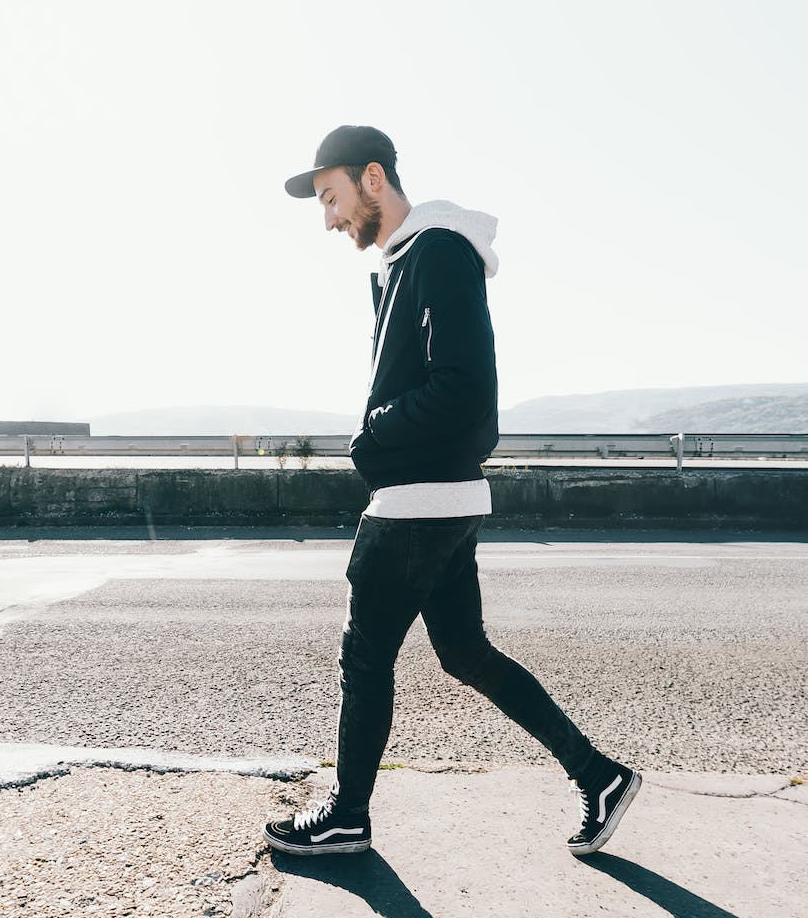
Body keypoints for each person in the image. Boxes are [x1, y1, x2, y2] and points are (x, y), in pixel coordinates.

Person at [263, 125, 640, 858]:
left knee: (365, 655)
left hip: (416, 503)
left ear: (374, 179)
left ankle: (347, 814)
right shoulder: (411, 261)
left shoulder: (437, 254)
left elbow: (465, 390)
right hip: (441, 500)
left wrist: (371, 433)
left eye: (333, 197)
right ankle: (598, 777)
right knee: (463, 651)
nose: (330, 218)